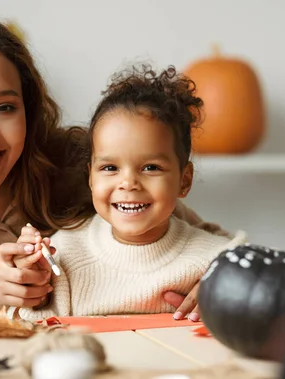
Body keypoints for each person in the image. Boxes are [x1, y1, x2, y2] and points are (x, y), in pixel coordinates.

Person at [0, 14, 230, 322]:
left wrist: (221, 279)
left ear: (29, 110)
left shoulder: (83, 163)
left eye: (5, 108)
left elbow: (203, 241)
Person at [14, 65, 246, 320]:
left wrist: (230, 287)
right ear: (90, 177)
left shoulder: (216, 262)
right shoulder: (64, 255)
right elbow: (34, 327)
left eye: (150, 167)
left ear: (184, 180)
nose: (128, 183)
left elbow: (264, 285)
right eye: (110, 167)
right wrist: (33, 286)